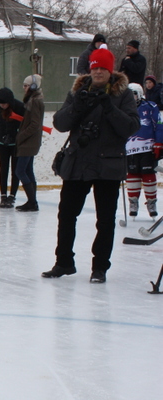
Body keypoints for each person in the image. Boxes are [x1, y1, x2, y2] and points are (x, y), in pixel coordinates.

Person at [44, 44, 139, 283]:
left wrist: (109, 108)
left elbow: (130, 127)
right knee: (66, 215)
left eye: (102, 69)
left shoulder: (123, 95)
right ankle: (64, 262)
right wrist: (78, 106)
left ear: (110, 71)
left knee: (105, 219)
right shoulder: (78, 92)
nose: (98, 73)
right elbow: (60, 123)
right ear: (89, 69)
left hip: (109, 165)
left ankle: (100, 268)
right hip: (78, 163)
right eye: (95, 68)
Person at [125, 83, 162, 218]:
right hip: (130, 149)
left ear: (140, 94)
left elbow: (158, 125)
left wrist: (159, 143)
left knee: (148, 174)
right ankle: (133, 202)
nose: (131, 98)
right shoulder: (122, 109)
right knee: (133, 174)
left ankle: (151, 203)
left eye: (133, 94)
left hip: (147, 148)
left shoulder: (150, 107)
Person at [13, 74, 45, 212]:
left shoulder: (35, 101)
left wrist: (21, 136)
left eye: (26, 86)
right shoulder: (33, 100)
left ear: (33, 87)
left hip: (29, 142)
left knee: (20, 170)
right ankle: (32, 201)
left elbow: (35, 124)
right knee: (28, 171)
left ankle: (32, 202)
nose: (24, 88)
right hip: (30, 141)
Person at [0, 87, 24, 208]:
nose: (3, 106)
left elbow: (25, 123)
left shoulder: (19, 107)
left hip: (16, 144)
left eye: (5, 104)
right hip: (1, 144)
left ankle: (12, 196)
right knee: (3, 170)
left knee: (16, 170)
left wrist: (16, 133)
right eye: (0, 104)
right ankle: (3, 196)